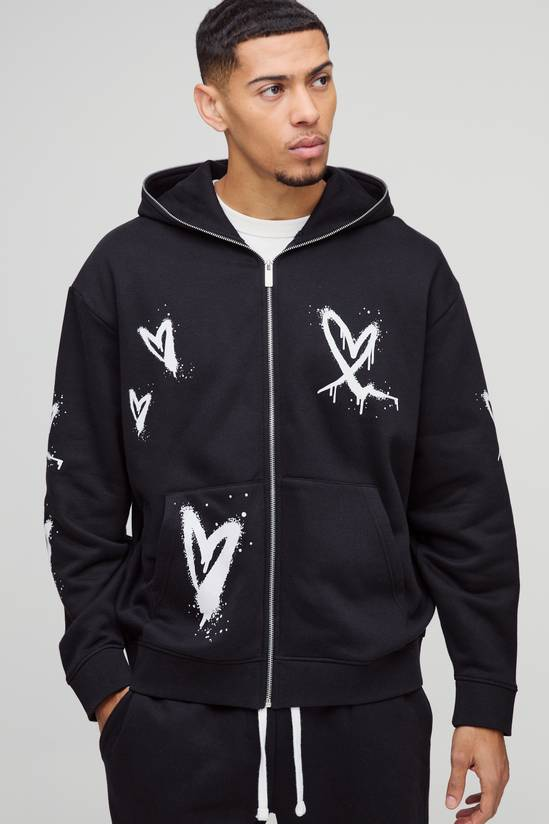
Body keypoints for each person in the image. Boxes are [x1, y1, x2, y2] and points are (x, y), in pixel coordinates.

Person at [43, 1, 520, 822]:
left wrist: (483, 695)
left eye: (320, 79)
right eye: (272, 88)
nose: (307, 110)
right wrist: (105, 684)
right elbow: (80, 492)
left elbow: (463, 497)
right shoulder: (125, 272)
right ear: (212, 105)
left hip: (367, 709)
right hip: (173, 711)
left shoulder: (408, 270)